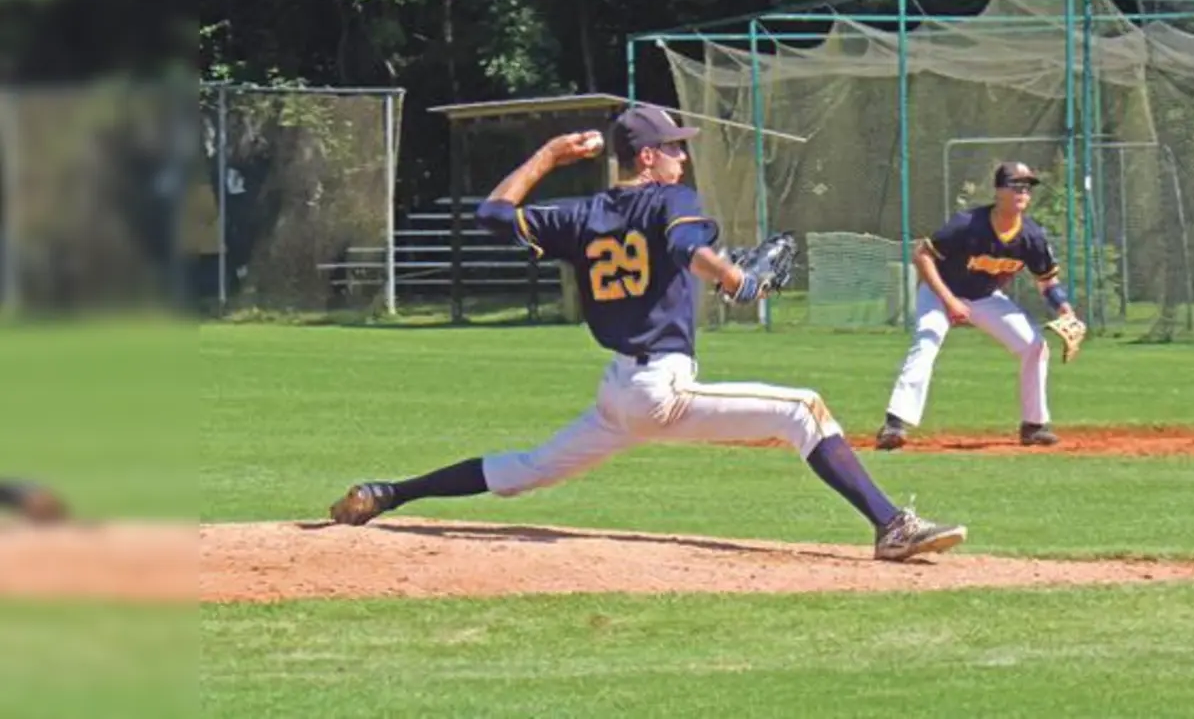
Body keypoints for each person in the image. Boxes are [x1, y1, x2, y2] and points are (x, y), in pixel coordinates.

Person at [328, 105, 967, 562]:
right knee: (804, 410)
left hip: (618, 392)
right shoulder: (668, 199)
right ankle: (890, 526)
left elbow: (493, 213)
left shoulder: (579, 215)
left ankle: (389, 493)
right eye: (675, 147)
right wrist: (735, 280)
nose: (683, 157)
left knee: (526, 469)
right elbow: (690, 246)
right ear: (647, 157)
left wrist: (548, 156)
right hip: (659, 385)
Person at [876, 161, 1080, 451]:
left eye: (1027, 187)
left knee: (1034, 346)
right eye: (1015, 185)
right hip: (940, 292)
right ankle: (895, 424)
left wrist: (1065, 310)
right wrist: (949, 301)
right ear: (998, 191)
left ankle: (1033, 425)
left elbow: (1047, 280)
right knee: (927, 340)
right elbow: (922, 256)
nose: (1023, 192)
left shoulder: (1032, 237)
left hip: (984, 297)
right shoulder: (967, 224)